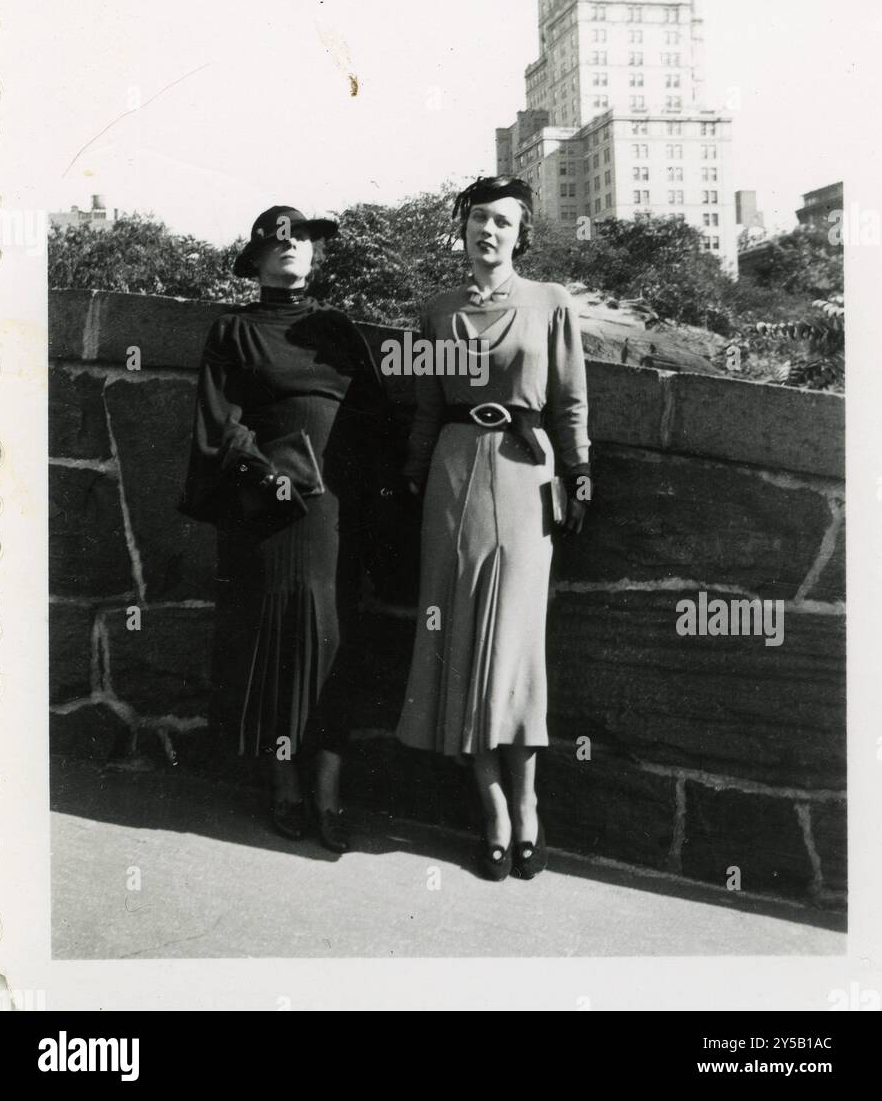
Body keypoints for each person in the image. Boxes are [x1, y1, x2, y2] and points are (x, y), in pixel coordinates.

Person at [396, 175, 591, 880]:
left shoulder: (550, 303)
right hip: (453, 474)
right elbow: (424, 408)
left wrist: (580, 472)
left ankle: (530, 803)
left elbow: (569, 399)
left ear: (521, 234)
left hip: (525, 471)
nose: (489, 232)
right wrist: (414, 478)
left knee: (514, 642)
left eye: (504, 222)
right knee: (458, 637)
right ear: (465, 227)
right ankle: (493, 810)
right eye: (479, 218)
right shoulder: (437, 311)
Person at [180, 204, 387, 854]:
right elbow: (220, 425)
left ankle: (328, 784)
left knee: (334, 639)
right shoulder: (234, 330)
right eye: (280, 239)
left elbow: (374, 416)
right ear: (258, 260)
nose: (294, 246)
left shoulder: (336, 330)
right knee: (276, 638)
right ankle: (284, 781)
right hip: (268, 507)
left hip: (334, 508)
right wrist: (271, 476)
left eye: (303, 238)